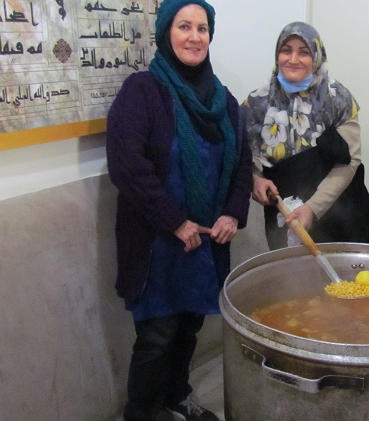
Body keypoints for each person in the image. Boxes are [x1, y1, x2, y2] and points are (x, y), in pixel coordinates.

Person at [105, 0, 251, 420]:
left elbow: (242, 162)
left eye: (202, 28)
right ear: (166, 32)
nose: (194, 37)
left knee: (189, 325)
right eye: (184, 26)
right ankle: (142, 412)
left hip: (204, 240)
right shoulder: (142, 92)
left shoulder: (224, 101)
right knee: (156, 336)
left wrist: (232, 214)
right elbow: (128, 167)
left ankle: (176, 394)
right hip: (158, 242)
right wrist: (175, 221)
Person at [241, 22, 369, 250]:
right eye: (286, 50)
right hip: (286, 215)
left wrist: (313, 208)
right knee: (291, 272)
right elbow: (239, 156)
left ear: (317, 57)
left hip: (343, 215)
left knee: (347, 273)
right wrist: (256, 180)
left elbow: (351, 162)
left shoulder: (338, 100)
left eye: (304, 52)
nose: (293, 59)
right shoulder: (256, 104)